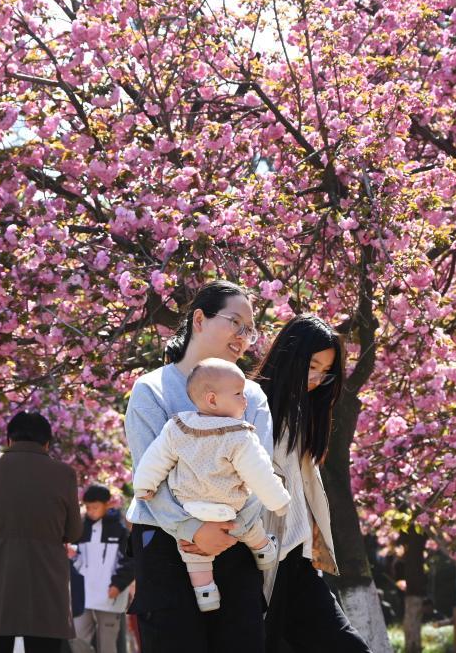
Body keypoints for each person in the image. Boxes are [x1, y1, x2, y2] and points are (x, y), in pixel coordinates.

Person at [124, 280, 272, 653]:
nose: (243, 336)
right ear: (200, 319)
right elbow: (149, 479)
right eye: (235, 322)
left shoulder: (252, 397)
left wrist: (228, 529)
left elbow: (264, 476)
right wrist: (192, 529)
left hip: (233, 542)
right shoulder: (152, 389)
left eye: (249, 330)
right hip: (164, 544)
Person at [252, 315, 370, 653]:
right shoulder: (251, 406)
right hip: (259, 562)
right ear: (290, 355)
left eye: (325, 371)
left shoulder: (301, 414)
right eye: (312, 366)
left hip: (299, 563)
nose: (317, 379)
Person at [132, 360, 289, 612]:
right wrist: (278, 501)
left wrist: (143, 486)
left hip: (191, 509)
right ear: (213, 399)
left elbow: (155, 459)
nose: (244, 399)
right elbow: (259, 474)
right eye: (238, 393)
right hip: (230, 509)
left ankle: (205, 594)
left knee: (194, 557)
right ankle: (264, 552)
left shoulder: (178, 427)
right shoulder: (239, 435)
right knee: (250, 527)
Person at [0, 410, 83, 653]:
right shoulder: (64, 474)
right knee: (44, 644)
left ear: (8, 440)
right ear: (47, 443)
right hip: (45, 574)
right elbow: (73, 532)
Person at [69, 485, 134, 653]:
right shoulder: (81, 528)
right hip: (84, 596)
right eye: (87, 507)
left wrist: (118, 585)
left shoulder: (120, 531)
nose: (90, 511)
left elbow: (130, 562)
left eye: (95, 507)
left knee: (107, 644)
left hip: (110, 596)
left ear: (107, 504)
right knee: (77, 641)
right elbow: (79, 561)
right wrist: (72, 554)